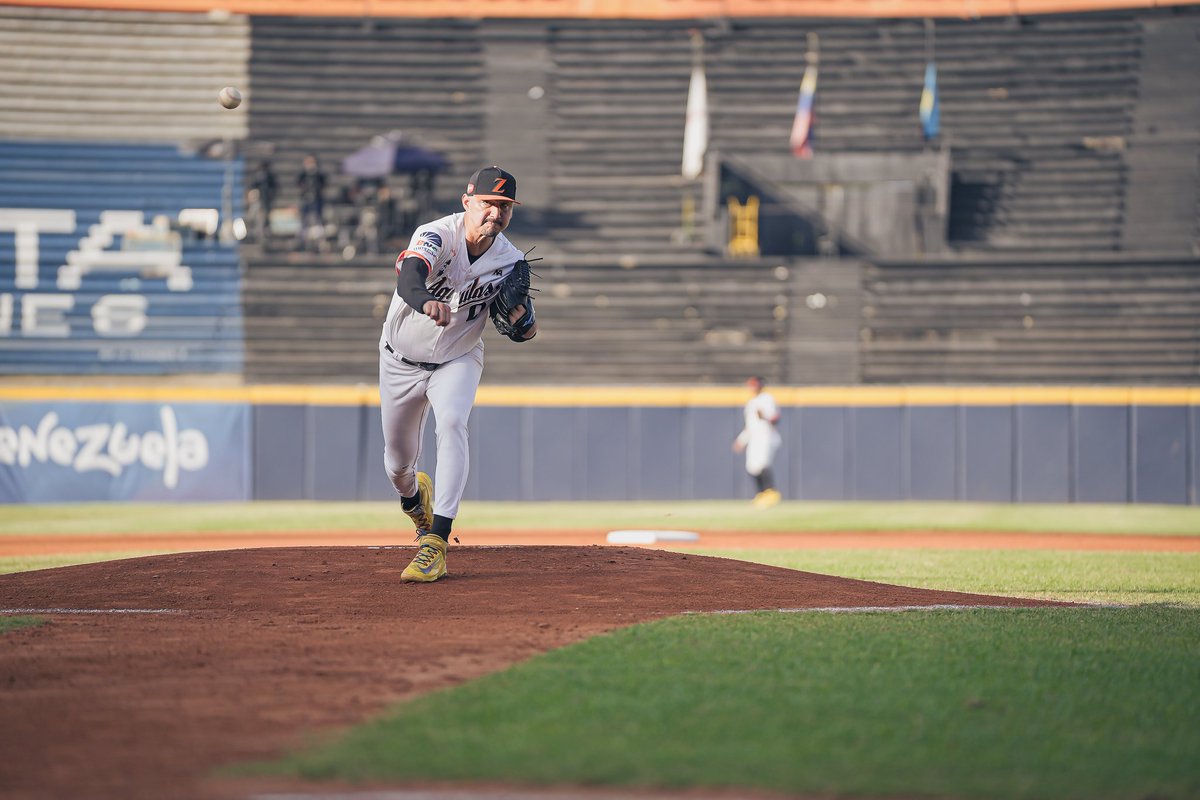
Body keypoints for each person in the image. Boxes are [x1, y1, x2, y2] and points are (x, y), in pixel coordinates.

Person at [379, 166, 538, 583]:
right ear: (467, 201)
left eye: (505, 207)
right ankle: (415, 501)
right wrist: (425, 300)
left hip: (458, 357)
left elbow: (525, 328)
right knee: (397, 466)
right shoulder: (436, 234)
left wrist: (523, 324)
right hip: (400, 359)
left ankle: (436, 541)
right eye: (489, 203)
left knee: (452, 422)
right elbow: (409, 278)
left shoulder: (511, 260)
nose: (496, 214)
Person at [733, 376, 782, 508]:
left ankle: (771, 494)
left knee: (762, 464)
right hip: (754, 437)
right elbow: (749, 425)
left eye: (754, 385)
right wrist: (741, 440)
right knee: (752, 466)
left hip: (766, 436)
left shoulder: (767, 399)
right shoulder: (751, 402)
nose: (752, 388)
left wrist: (764, 416)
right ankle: (761, 494)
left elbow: (775, 418)